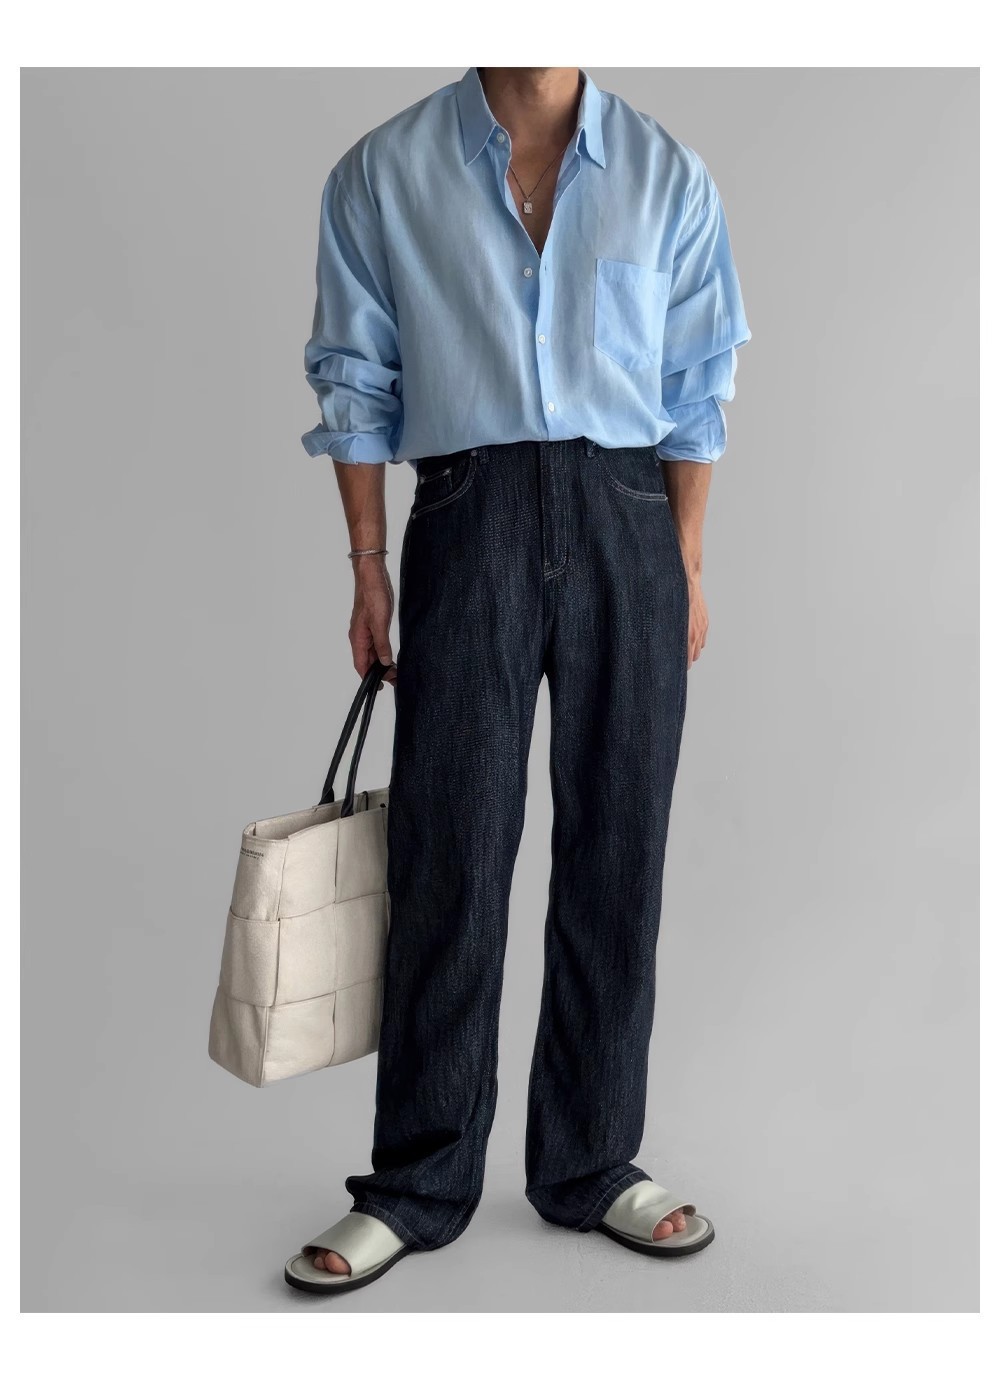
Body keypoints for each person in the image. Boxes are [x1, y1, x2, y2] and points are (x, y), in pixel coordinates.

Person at [283, 65, 750, 1296]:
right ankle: (416, 1182)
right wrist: (368, 567)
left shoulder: (666, 175)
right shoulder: (383, 172)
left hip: (627, 520)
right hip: (467, 514)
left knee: (617, 850)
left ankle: (590, 1161)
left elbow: (695, 384)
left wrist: (685, 563)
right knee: (449, 851)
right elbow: (355, 373)